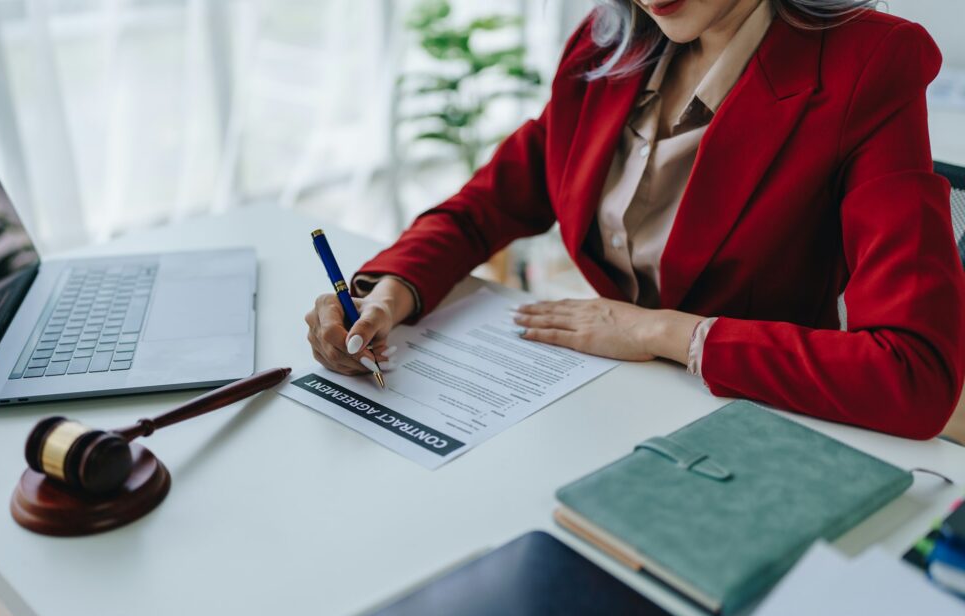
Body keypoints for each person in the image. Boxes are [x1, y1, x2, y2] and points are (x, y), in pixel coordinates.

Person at [305, 0, 965, 439]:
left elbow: (917, 374)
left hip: (759, 426)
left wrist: (657, 331)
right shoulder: (604, 45)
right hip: (602, 412)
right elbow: (486, 206)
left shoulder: (869, 62)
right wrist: (386, 292)